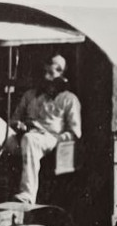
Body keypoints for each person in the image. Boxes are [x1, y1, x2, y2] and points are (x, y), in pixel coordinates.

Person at [7, 54, 81, 203]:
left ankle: (27, 195)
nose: (47, 77)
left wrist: (57, 139)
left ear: (62, 75)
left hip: (49, 139)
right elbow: (14, 119)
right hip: (24, 135)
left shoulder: (69, 99)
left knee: (30, 140)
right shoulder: (30, 95)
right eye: (44, 72)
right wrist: (18, 125)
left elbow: (74, 132)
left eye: (51, 73)